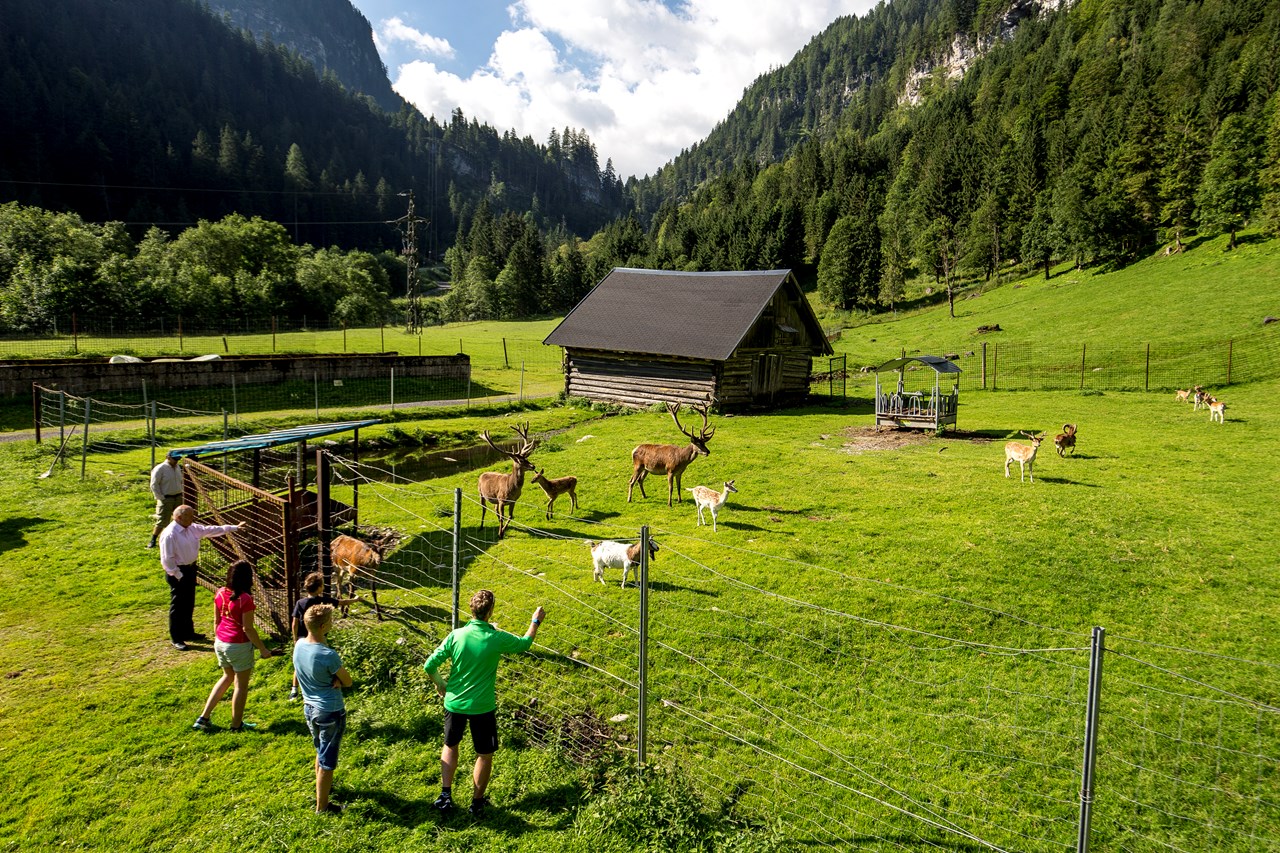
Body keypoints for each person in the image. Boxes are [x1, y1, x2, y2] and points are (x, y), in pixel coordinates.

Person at [423, 589, 545, 816]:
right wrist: (535, 620)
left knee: (450, 745)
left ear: (472, 610)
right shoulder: (495, 637)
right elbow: (525, 643)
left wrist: (441, 684)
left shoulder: (456, 635)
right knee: (484, 754)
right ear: (490, 611)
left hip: (454, 703)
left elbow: (429, 665)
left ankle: (445, 796)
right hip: (483, 707)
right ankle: (476, 803)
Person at [193, 560, 275, 732]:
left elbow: (217, 621)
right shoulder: (245, 599)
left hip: (220, 642)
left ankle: (203, 717)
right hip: (238, 645)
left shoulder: (220, 592)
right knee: (241, 686)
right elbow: (248, 628)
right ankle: (236, 725)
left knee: (227, 677)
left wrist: (220, 639)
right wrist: (263, 649)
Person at [293, 603, 353, 814]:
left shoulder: (299, 645)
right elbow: (348, 681)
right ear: (324, 626)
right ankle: (323, 807)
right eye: (330, 621)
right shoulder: (328, 655)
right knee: (328, 760)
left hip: (309, 707)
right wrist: (337, 678)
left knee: (320, 749)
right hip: (330, 710)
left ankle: (322, 788)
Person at [158, 504, 241, 651]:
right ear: (179, 517)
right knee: (178, 605)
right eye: (190, 516)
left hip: (190, 569)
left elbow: (210, 530)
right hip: (178, 572)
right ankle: (176, 638)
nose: (193, 518)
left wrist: (234, 528)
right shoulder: (170, 534)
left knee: (189, 602)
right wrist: (179, 575)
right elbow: (167, 559)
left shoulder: (191, 528)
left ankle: (188, 632)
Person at [289, 571, 359, 701]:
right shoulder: (323, 602)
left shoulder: (300, 603)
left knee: (299, 664)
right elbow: (340, 602)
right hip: (319, 637)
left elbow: (294, 623)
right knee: (322, 661)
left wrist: (295, 639)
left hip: (302, 639)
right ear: (320, 587)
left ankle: (294, 689)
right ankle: (328, 682)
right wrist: (355, 600)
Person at [147, 451, 185, 549]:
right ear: (168, 457)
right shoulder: (160, 468)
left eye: (177, 459)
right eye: (174, 459)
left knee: (179, 519)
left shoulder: (177, 468)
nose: (176, 461)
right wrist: (161, 498)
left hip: (178, 496)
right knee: (162, 520)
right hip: (166, 498)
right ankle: (153, 539)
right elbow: (154, 484)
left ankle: (178, 539)